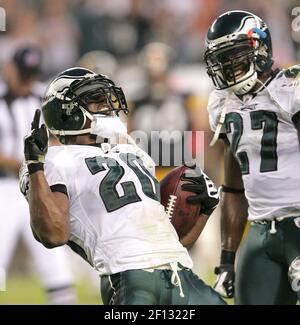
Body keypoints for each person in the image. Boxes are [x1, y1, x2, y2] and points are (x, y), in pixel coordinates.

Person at [19, 66, 226, 305]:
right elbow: (54, 235)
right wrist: (35, 166)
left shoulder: (134, 153)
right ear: (69, 113)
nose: (108, 107)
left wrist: (204, 213)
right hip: (128, 277)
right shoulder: (58, 159)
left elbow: (168, 244)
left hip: (180, 272)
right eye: (97, 102)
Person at [204, 10, 300, 304]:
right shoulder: (223, 104)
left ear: (259, 48)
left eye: (235, 54)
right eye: (221, 58)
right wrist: (227, 259)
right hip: (260, 231)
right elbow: (233, 188)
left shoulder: (291, 89)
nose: (228, 65)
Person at [0, 45, 77, 304]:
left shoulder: (44, 97)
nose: (28, 82)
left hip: (40, 186)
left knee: (55, 261)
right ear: (10, 70)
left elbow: (62, 139)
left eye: (31, 75)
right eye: (24, 76)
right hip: (5, 189)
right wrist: (27, 163)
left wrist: (39, 164)